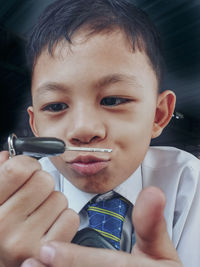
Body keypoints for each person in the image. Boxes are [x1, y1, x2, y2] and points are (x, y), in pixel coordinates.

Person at [0, 0, 199, 266]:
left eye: (113, 101)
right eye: (56, 106)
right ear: (36, 127)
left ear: (159, 115)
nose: (83, 130)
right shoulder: (16, 203)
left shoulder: (190, 183)